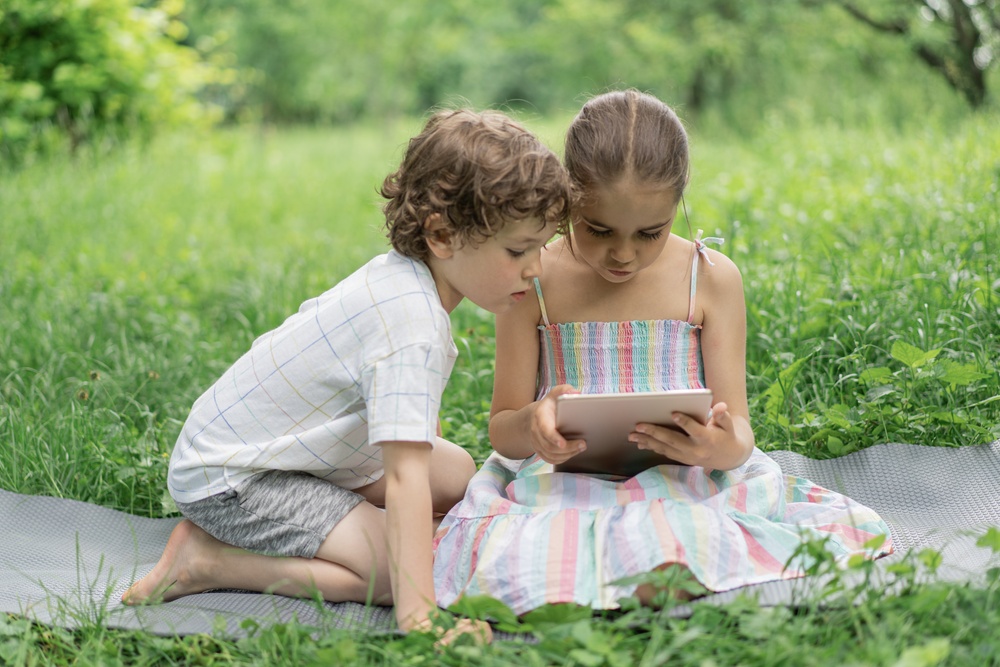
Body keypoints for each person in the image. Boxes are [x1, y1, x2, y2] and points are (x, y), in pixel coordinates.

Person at [122, 108, 574, 642]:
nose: (537, 267)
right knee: (395, 572)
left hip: (296, 449)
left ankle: (352, 531)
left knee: (453, 474)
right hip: (234, 479)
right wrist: (419, 614)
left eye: (541, 246)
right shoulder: (410, 324)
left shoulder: (409, 278)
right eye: (519, 250)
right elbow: (405, 476)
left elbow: (418, 465)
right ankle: (207, 561)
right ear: (442, 236)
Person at [433, 90, 893, 614]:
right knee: (527, 546)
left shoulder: (710, 279)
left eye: (650, 233)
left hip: (682, 480)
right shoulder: (534, 279)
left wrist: (715, 449)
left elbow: (738, 433)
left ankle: (627, 578)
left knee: (686, 530)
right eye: (598, 230)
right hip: (563, 483)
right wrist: (534, 424)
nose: (623, 254)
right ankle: (626, 579)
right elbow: (503, 429)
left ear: (679, 204)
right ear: (565, 200)